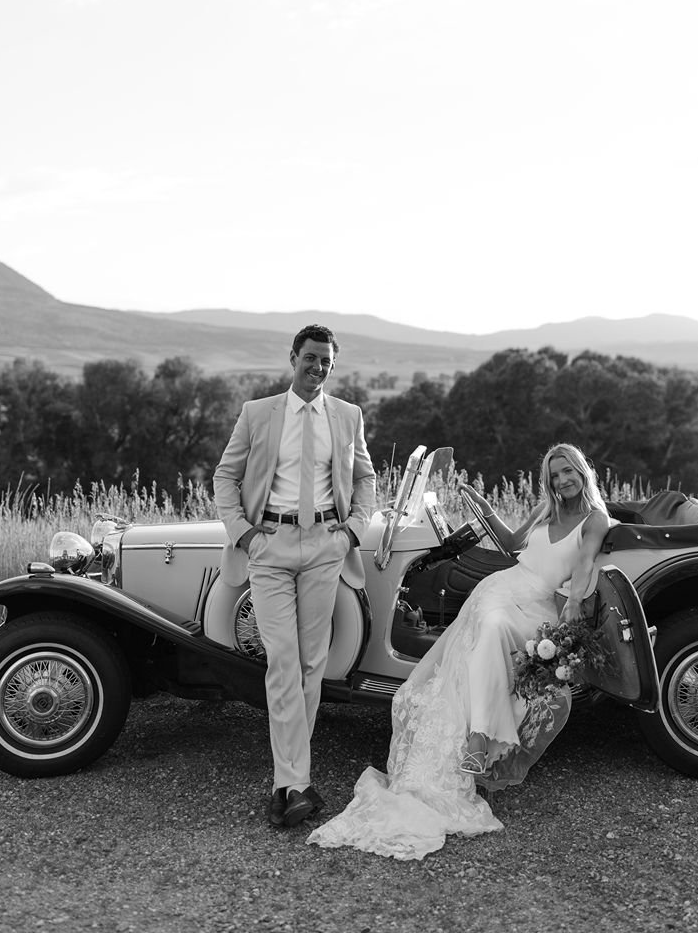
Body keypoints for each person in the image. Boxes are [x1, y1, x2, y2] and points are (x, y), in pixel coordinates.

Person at [306, 443, 610, 860]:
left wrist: (572, 608)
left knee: (492, 627)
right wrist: (483, 507)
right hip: (504, 587)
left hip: (539, 604)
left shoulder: (594, 519)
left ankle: (481, 738)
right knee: (487, 623)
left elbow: (585, 564)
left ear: (581, 472)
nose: (562, 481)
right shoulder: (546, 510)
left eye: (567, 472)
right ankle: (479, 738)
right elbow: (510, 542)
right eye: (555, 475)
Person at [214, 324, 375, 830]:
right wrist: (244, 533)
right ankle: (295, 782)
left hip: (326, 545)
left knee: (310, 665)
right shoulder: (258, 413)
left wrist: (351, 532)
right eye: (310, 358)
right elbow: (226, 476)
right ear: (293, 358)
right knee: (281, 662)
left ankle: (292, 784)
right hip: (270, 547)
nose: (318, 368)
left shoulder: (348, 417)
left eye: (326, 361)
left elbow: (365, 477)